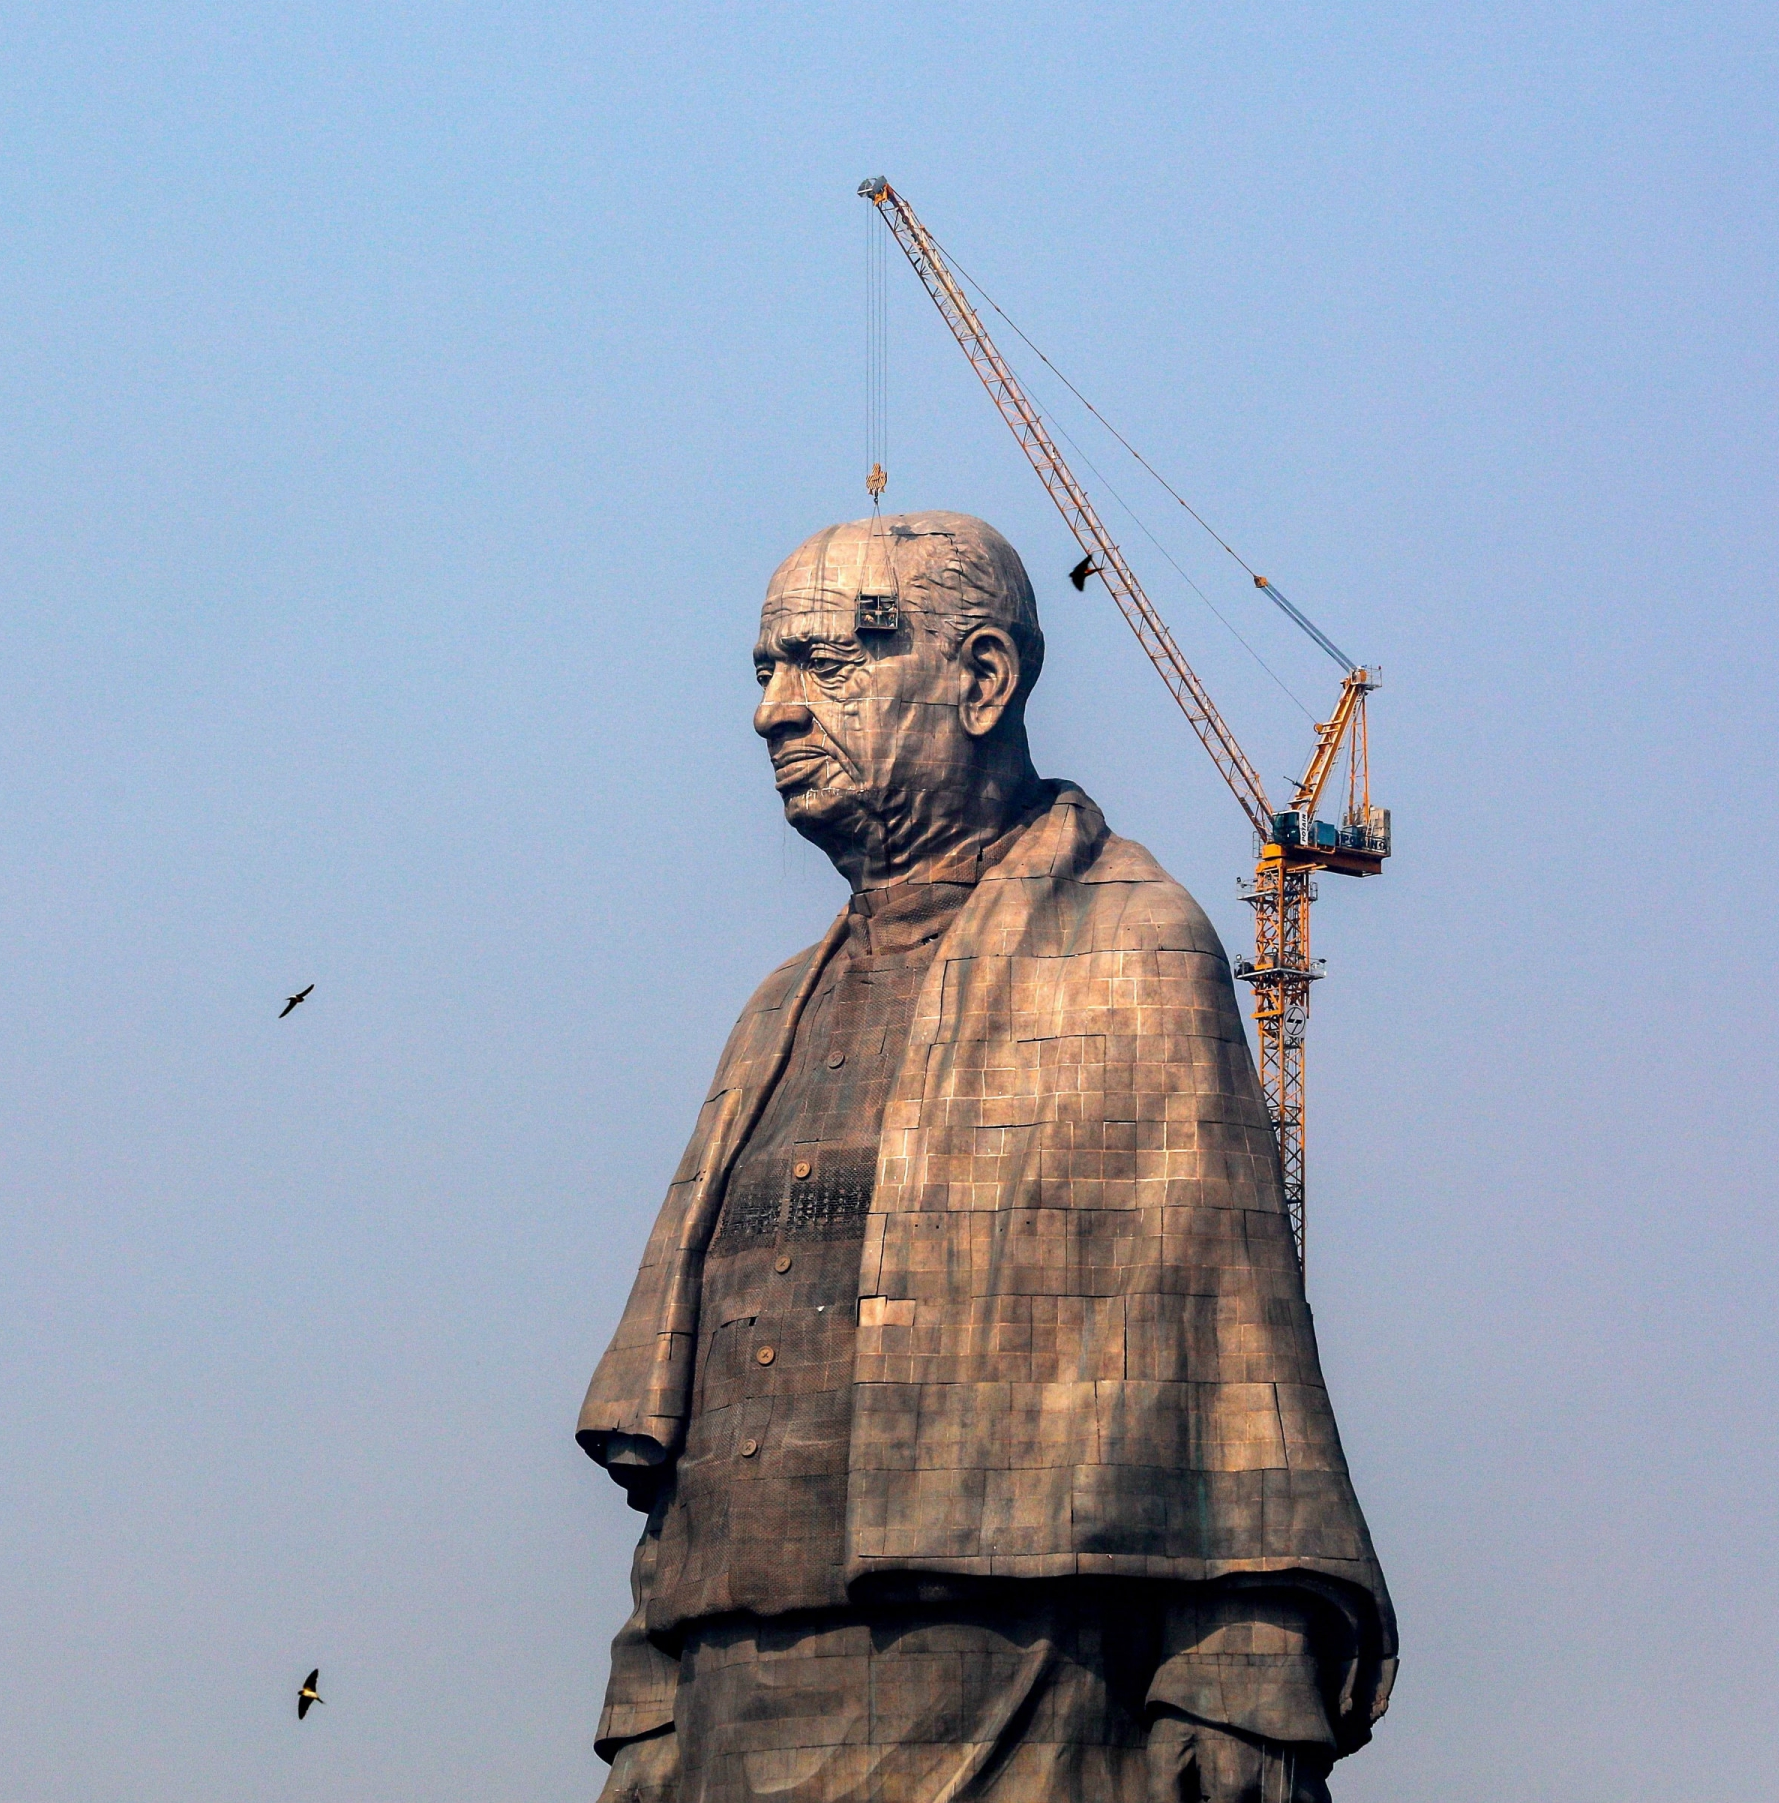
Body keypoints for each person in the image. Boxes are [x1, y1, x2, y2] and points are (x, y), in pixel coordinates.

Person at [576, 513, 1394, 1803]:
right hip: (736, 1703)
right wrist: (651, 1700)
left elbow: (1234, 1353)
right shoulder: (774, 1015)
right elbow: (694, 1410)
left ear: (980, 680)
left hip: (1019, 1698)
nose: (775, 714)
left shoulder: (1136, 954)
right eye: (764, 671)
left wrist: (1243, 1679)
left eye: (829, 664)